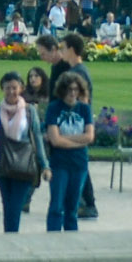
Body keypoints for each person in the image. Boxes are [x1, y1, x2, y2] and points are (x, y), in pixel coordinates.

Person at [0, 71, 46, 232]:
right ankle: (10, 235)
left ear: (21, 88)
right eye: (7, 88)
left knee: (16, 204)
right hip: (2, 163)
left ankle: (11, 235)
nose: (11, 92)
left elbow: (37, 138)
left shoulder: (30, 111)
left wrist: (44, 164)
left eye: (14, 88)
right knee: (7, 203)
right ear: (2, 89)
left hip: (24, 164)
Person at [41, 71, 93, 233]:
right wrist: (77, 141)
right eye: (69, 90)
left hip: (79, 163)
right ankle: (53, 238)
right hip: (59, 163)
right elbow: (54, 139)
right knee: (56, 205)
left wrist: (66, 140)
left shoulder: (84, 109)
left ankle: (72, 240)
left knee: (73, 207)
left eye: (76, 90)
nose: (72, 93)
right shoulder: (54, 108)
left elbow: (89, 136)